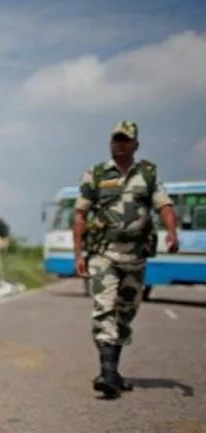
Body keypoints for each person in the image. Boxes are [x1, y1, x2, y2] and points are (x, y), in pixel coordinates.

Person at [72, 120, 179, 399]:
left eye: (125, 140)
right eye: (115, 139)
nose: (119, 144)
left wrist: (171, 232)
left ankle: (113, 371)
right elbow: (80, 216)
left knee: (126, 312)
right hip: (103, 253)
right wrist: (78, 254)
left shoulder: (148, 175)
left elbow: (164, 205)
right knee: (104, 307)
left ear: (135, 145)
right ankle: (107, 373)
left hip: (135, 256)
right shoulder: (95, 175)